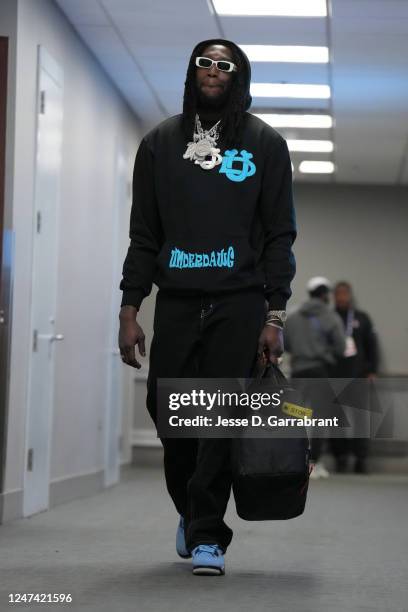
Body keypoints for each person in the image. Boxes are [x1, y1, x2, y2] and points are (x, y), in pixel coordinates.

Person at [118, 38, 296, 575]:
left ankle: (208, 535)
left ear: (239, 76)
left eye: (224, 65)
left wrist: (274, 314)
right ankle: (192, 509)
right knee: (168, 414)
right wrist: (130, 308)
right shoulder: (159, 144)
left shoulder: (264, 145)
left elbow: (278, 236)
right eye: (204, 62)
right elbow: (144, 235)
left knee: (217, 419)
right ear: (192, 71)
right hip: (175, 300)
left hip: (238, 303)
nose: (213, 71)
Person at [284, 277, 345, 479]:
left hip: (298, 374)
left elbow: (285, 345)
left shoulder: (292, 316)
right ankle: (314, 464)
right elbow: (341, 346)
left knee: (296, 417)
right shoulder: (330, 316)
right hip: (319, 372)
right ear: (325, 295)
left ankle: (293, 461)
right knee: (319, 419)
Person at [331, 281, 379, 474]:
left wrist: (372, 370)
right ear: (334, 296)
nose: (341, 297)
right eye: (338, 294)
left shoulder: (362, 318)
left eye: (344, 294)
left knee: (360, 420)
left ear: (350, 295)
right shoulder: (329, 317)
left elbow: (372, 345)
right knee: (336, 420)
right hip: (334, 377)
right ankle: (340, 458)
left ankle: (361, 459)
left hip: (358, 376)